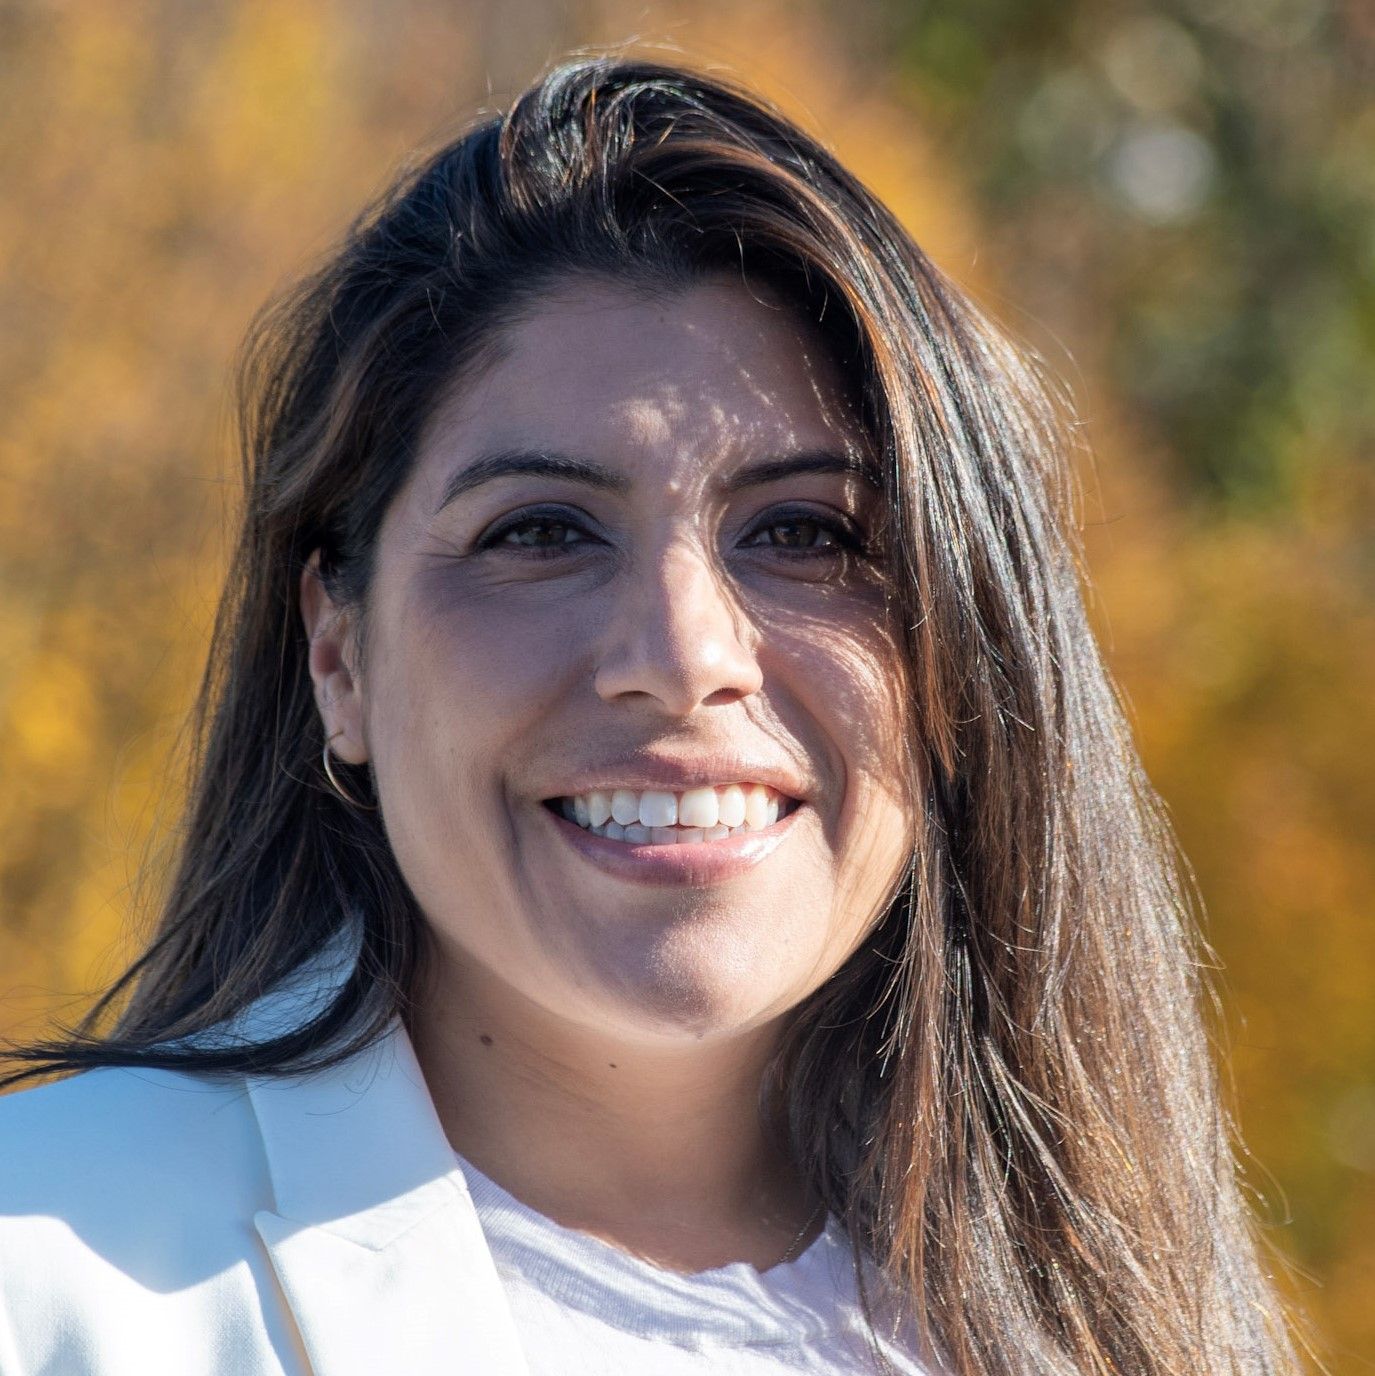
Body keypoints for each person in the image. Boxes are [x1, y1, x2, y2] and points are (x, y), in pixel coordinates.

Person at [0, 55, 1301, 1376]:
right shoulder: (41, 1278)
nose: (682, 657)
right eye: (542, 531)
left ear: (965, 656)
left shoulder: (1139, 1330)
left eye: (804, 532)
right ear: (338, 654)